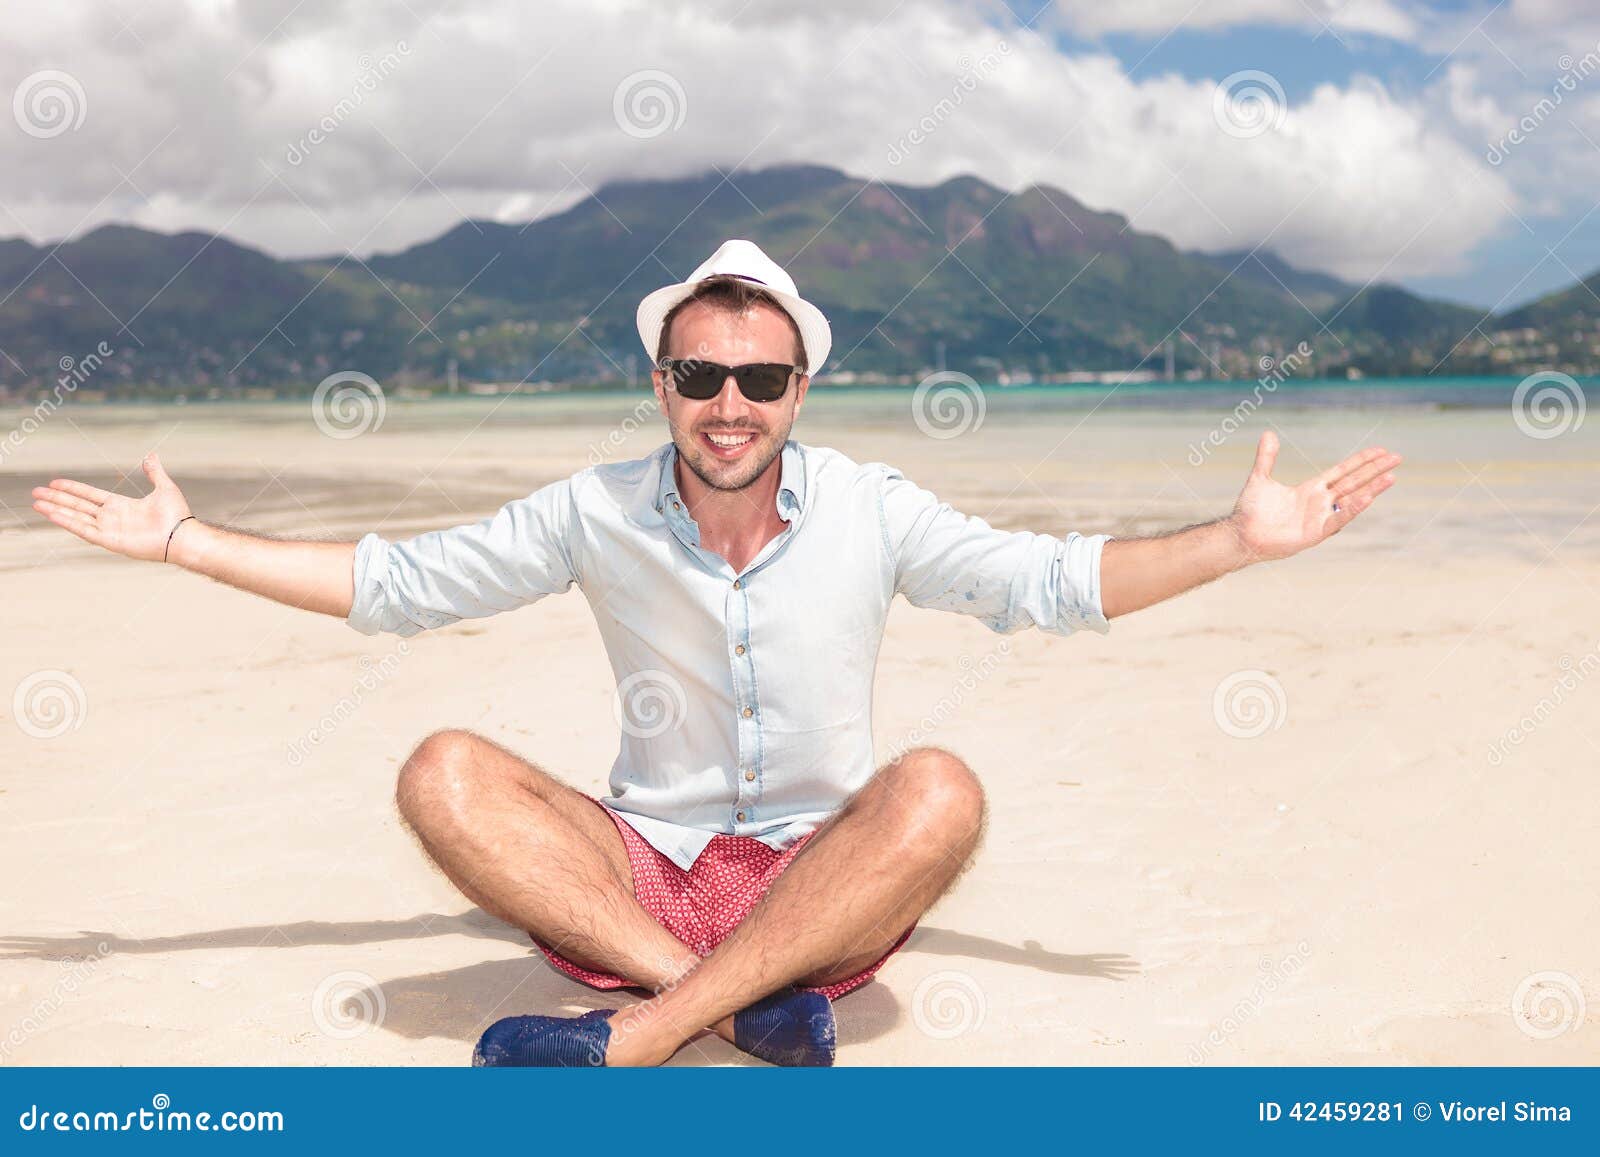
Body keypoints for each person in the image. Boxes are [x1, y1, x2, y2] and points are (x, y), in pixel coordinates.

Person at [31, 238, 1401, 1067]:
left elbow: (1053, 582)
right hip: (646, 875)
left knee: (940, 790)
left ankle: (636, 1032)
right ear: (662, 386)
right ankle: (738, 1009)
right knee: (442, 769)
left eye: (758, 378)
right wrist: (185, 543)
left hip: (825, 886)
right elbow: (394, 582)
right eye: (700, 376)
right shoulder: (591, 511)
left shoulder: (873, 508)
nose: (728, 403)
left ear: (802, 386)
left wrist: (1235, 540)